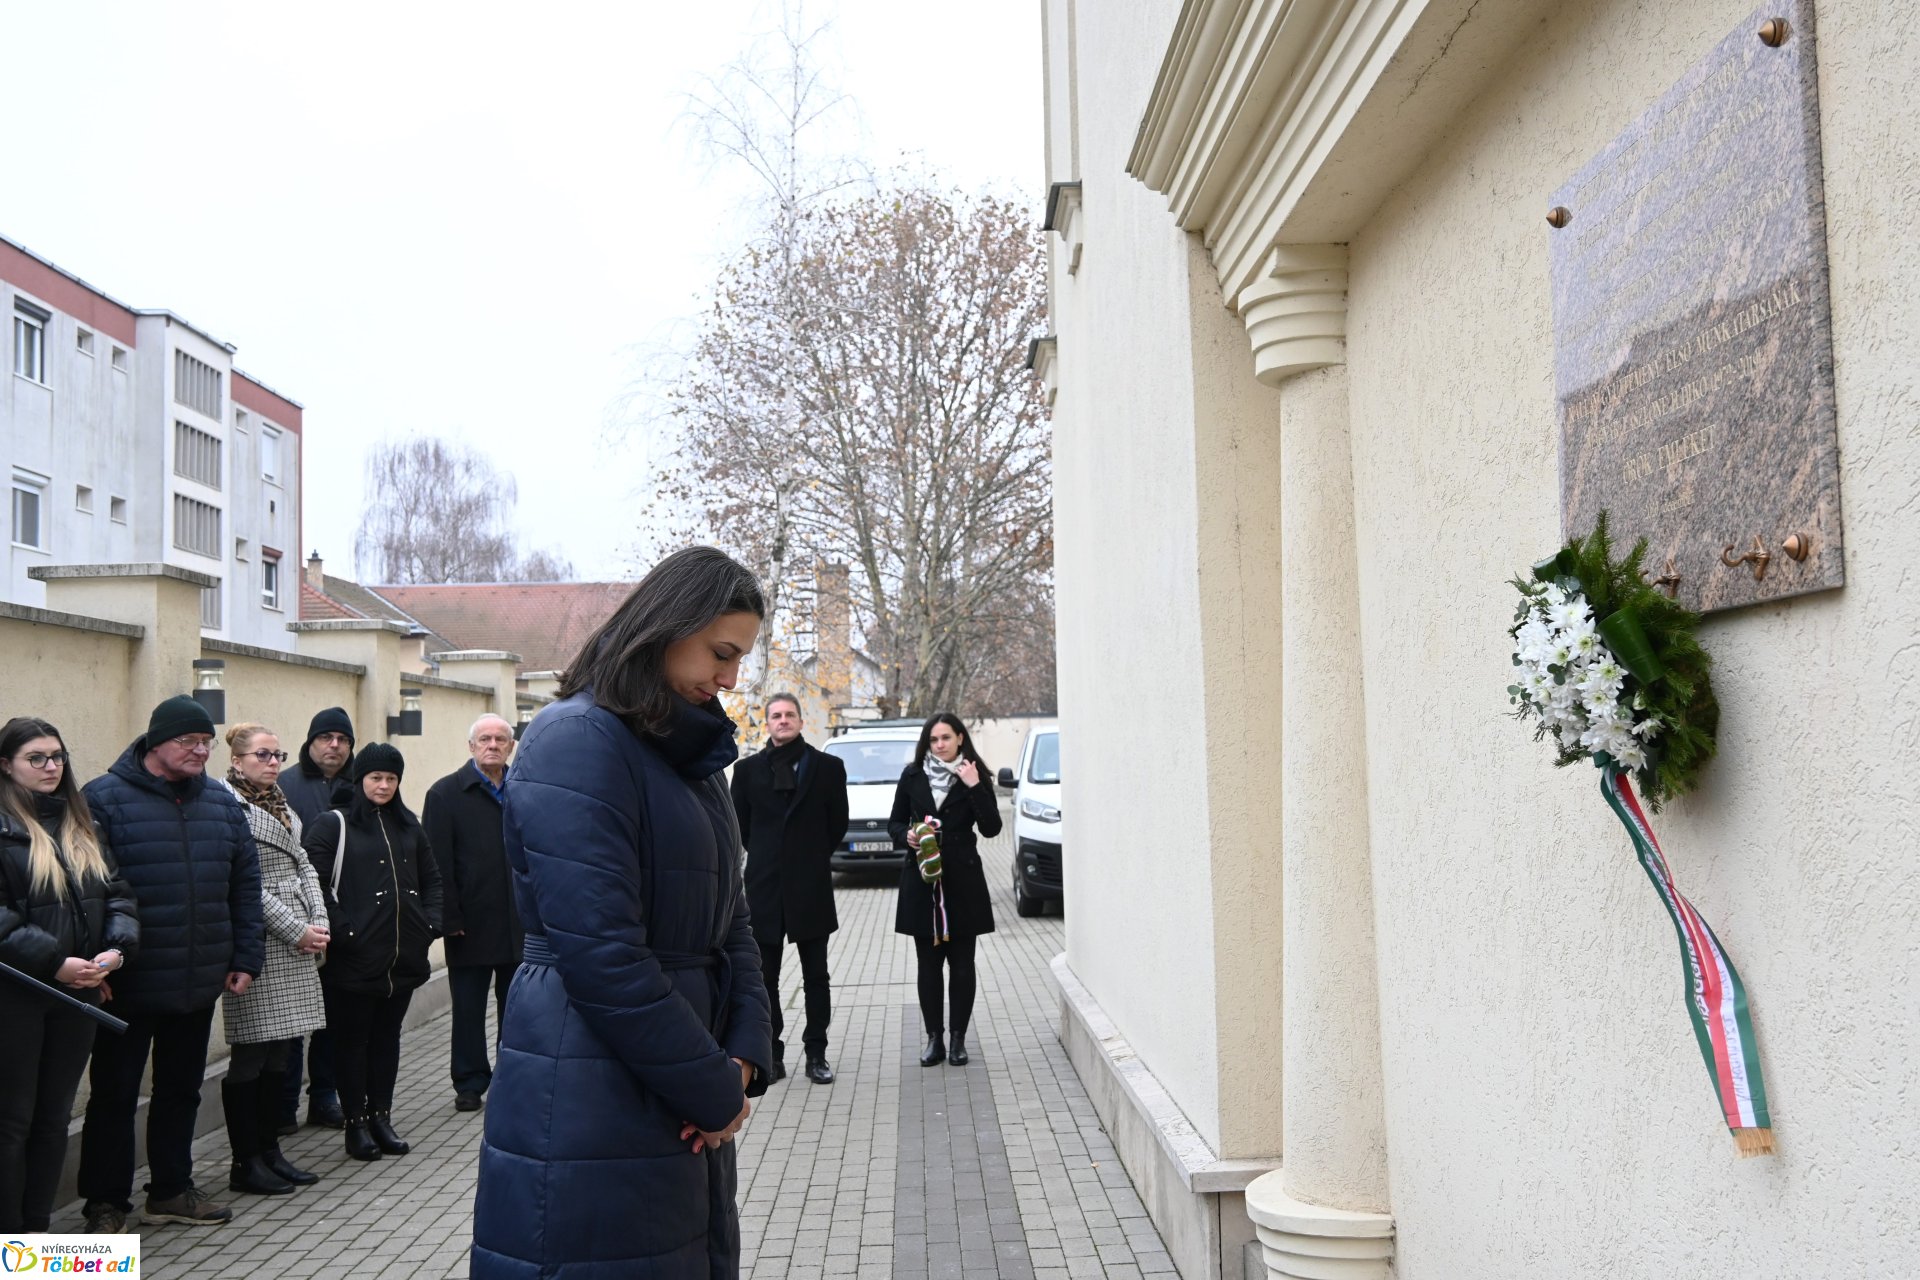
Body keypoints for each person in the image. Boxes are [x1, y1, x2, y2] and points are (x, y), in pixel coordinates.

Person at [472, 546, 774, 1280]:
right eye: (721, 653)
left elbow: (730, 915)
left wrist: (744, 1057)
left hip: (674, 1073)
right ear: (668, 626)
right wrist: (711, 1086)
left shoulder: (681, 752)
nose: (731, 679)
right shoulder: (576, 740)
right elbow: (602, 953)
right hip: (587, 1081)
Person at [78, 695, 265, 1233]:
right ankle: (105, 1202)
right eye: (189, 741)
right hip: (129, 981)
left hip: (198, 977)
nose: (200, 751)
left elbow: (243, 887)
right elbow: (90, 892)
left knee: (181, 1090)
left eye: (206, 743)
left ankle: (171, 1189)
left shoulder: (222, 804)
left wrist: (244, 957)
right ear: (156, 742)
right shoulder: (104, 799)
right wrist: (101, 969)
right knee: (114, 1094)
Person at [0, 718, 138, 1233]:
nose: (51, 767)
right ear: (6, 765)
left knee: (54, 1120)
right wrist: (53, 962)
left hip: (78, 995)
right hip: (17, 995)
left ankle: (35, 1241)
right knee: (13, 1123)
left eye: (57, 756)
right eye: (37, 758)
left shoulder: (82, 823)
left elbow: (119, 892)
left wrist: (115, 951)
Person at [304, 743, 441, 1162]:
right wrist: (345, 931)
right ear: (360, 779)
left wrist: (429, 925)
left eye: (391, 778)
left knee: (387, 1040)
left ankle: (382, 1117)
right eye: (375, 778)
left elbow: (433, 880)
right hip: (354, 960)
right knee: (353, 1042)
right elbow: (314, 886)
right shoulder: (334, 825)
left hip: (402, 958)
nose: (383, 785)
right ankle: (355, 1125)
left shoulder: (408, 825)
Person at [213, 723, 328, 1197]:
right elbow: (245, 884)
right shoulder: (227, 805)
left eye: (277, 754)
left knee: (283, 1048)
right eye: (262, 755)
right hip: (259, 941)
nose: (273, 762)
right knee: (251, 1054)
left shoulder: (279, 801)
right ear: (237, 761)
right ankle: (246, 1161)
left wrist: (318, 920)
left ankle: (271, 1150)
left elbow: (303, 862)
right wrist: (296, 928)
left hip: (299, 936)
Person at [730, 692, 847, 1086]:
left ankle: (817, 1054)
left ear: (800, 721)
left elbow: (838, 825)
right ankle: (772, 1056)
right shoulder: (746, 772)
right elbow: (741, 828)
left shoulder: (829, 768)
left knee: (817, 976)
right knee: (765, 979)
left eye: (790, 715)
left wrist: (809, 858)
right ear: (767, 723)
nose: (783, 720)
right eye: (776, 715)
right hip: (763, 889)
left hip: (811, 887)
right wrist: (769, 859)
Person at [423, 714, 523, 1113]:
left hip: (519, 923)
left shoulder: (524, 789)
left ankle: (513, 1077)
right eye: (485, 739)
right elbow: (436, 864)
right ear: (471, 746)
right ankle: (469, 1081)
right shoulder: (445, 794)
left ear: (511, 747)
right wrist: (448, 918)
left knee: (516, 1007)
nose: (493, 745)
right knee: (467, 1009)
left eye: (501, 739)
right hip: (469, 924)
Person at [889, 713, 1000, 1068]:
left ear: (960, 739)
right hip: (922, 879)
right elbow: (894, 822)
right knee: (928, 965)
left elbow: (993, 828)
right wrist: (904, 835)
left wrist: (974, 785)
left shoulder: (974, 775)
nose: (940, 744)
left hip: (963, 882)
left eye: (946, 738)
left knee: (963, 965)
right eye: (934, 739)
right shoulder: (912, 775)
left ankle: (958, 1039)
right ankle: (934, 1038)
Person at [275, 707, 356, 1133]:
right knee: (292, 1020)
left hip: (341, 923)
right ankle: (284, 1104)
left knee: (331, 1019)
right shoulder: (285, 785)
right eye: (326, 737)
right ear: (310, 743)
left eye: (342, 739)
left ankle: (324, 1096)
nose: (334, 745)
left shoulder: (362, 784)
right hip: (294, 925)